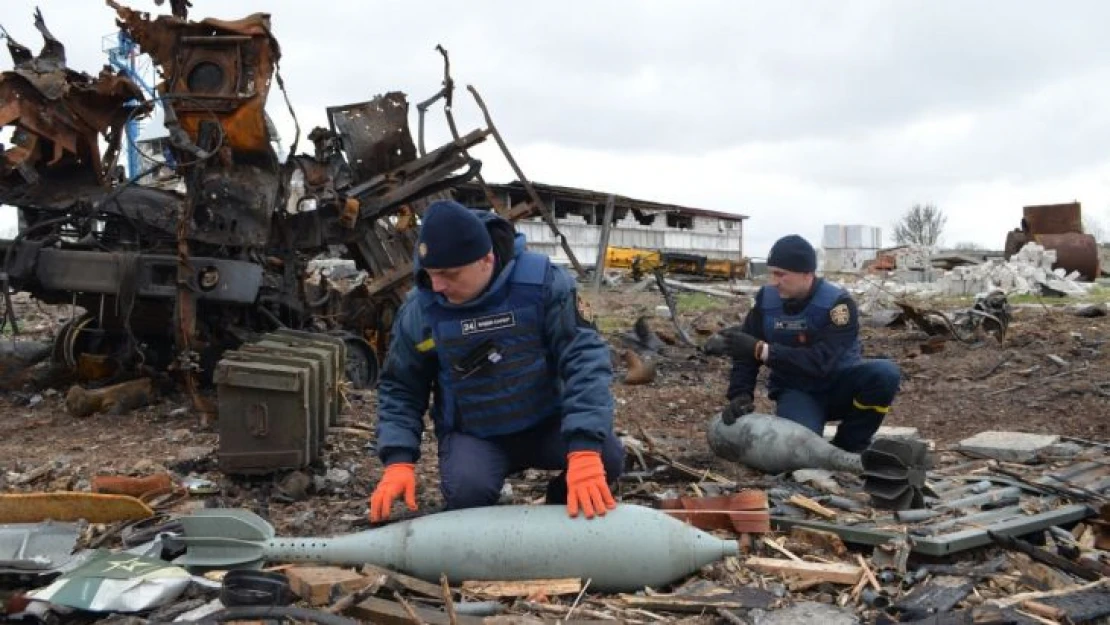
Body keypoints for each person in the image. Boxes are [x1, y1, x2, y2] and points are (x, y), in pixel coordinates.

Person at [368, 200, 624, 522]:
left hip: (547, 423)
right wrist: (398, 460)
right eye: (431, 274)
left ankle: (562, 508)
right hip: (478, 434)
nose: (437, 286)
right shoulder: (422, 310)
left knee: (608, 458)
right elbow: (401, 387)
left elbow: (585, 359)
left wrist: (585, 447)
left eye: (449, 274)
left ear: (486, 259)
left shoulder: (544, 284)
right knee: (466, 494)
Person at [705, 234, 901, 452]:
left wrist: (763, 350)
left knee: (884, 373)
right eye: (771, 273)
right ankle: (813, 436)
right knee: (797, 449)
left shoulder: (838, 305)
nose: (773, 282)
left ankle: (850, 444)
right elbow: (745, 353)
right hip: (798, 391)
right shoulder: (767, 301)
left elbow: (822, 362)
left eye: (781, 275)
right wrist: (740, 394)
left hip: (841, 386)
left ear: (807, 274)